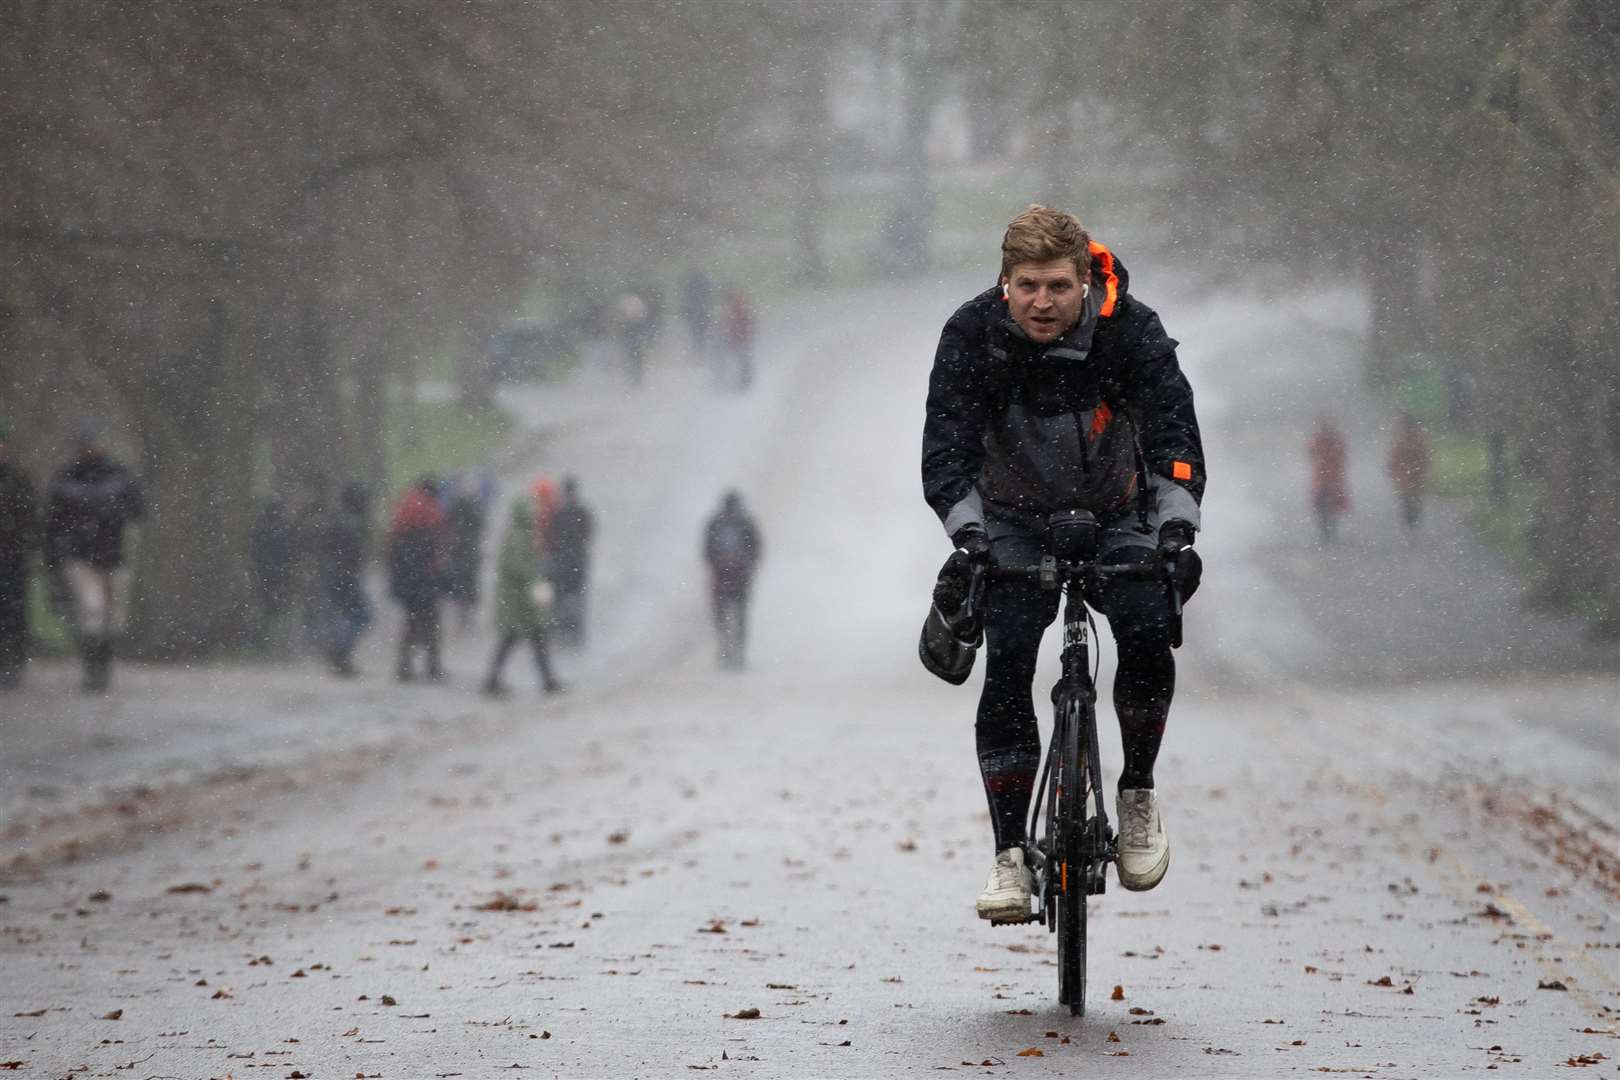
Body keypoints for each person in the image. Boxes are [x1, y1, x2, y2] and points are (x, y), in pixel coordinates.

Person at [921, 205, 1204, 922]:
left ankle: (1135, 790)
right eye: (1026, 287)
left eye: (1056, 286)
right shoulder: (971, 335)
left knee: (1143, 624)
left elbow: (1175, 437)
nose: (1041, 303)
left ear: (1085, 281)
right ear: (1004, 284)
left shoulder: (1132, 331)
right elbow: (946, 453)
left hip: (1121, 513)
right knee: (1010, 654)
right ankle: (1010, 854)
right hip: (1013, 518)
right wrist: (970, 536)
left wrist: (1175, 530)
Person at [44, 423, 145, 693]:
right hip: (81, 557)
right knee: (92, 611)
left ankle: (103, 668)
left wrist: (114, 516)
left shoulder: (118, 477)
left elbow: (138, 510)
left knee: (114, 618)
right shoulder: (67, 479)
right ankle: (93, 670)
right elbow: (54, 523)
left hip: (113, 555)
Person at [481, 500, 564, 697]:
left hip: (520, 598)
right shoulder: (519, 536)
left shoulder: (522, 535)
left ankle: (546, 680)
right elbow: (520, 568)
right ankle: (495, 680)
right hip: (518, 600)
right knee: (519, 638)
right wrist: (537, 590)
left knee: (531, 638)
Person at [387, 475, 449, 681]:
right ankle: (432, 666)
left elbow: (393, 550)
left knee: (411, 622)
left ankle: (405, 665)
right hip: (423, 579)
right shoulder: (429, 512)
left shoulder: (404, 508)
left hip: (407, 580)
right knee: (430, 622)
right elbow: (433, 548)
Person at [0, 419, 40, 689]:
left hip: (11, 557)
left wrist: (23, 545)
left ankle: (11, 663)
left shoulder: (18, 479)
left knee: (12, 611)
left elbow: (32, 519)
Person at [703, 489, 762, 670]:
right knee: (736, 615)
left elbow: (707, 549)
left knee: (727, 615)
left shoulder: (719, 524)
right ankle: (732, 651)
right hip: (735, 575)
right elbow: (756, 547)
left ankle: (729, 650)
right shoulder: (743, 523)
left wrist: (718, 564)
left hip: (727, 575)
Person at [319, 481, 372, 677]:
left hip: (335, 573)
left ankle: (339, 653)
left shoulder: (337, 519)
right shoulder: (351, 523)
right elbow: (352, 552)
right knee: (361, 614)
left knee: (345, 614)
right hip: (344, 575)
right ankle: (340, 653)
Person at [547, 476, 595, 649]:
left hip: (563, 561)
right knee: (576, 596)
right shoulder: (582, 512)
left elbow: (552, 538)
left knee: (560, 596)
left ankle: (562, 628)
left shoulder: (558, 513)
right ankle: (574, 631)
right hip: (577, 561)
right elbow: (588, 535)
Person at [248, 497, 296, 654]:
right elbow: (290, 554)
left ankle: (263, 641)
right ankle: (274, 643)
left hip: (264, 574)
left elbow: (253, 553)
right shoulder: (284, 530)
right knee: (278, 609)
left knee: (266, 608)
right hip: (279, 575)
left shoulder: (260, 529)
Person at [444, 475, 487, 630]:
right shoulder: (473, 507)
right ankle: (468, 616)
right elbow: (481, 525)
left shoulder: (453, 507)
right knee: (470, 582)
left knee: (460, 582)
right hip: (469, 551)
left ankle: (462, 616)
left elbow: (446, 526)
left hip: (458, 551)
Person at [1307, 415, 1350, 544]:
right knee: (1324, 507)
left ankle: (1328, 532)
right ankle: (1327, 532)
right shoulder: (1321, 440)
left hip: (1330, 478)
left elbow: (1311, 454)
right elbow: (1311, 454)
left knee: (1330, 508)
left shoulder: (1331, 441)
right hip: (1325, 478)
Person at [1387, 411, 1431, 532]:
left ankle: (1411, 521)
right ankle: (1412, 521)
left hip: (1410, 473)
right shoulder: (1412, 436)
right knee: (1410, 498)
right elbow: (1424, 455)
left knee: (1409, 498)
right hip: (1410, 474)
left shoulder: (1408, 437)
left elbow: (1424, 455)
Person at [722, 287, 756, 391]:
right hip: (741, 338)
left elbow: (735, 324)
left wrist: (733, 336)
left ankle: (744, 383)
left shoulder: (737, 307)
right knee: (743, 361)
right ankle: (745, 382)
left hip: (740, 338)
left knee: (742, 361)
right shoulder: (740, 305)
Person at [681, 269, 715, 356]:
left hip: (697, 313)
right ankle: (699, 351)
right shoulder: (703, 284)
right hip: (700, 313)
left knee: (697, 334)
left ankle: (698, 351)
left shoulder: (692, 285)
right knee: (699, 334)